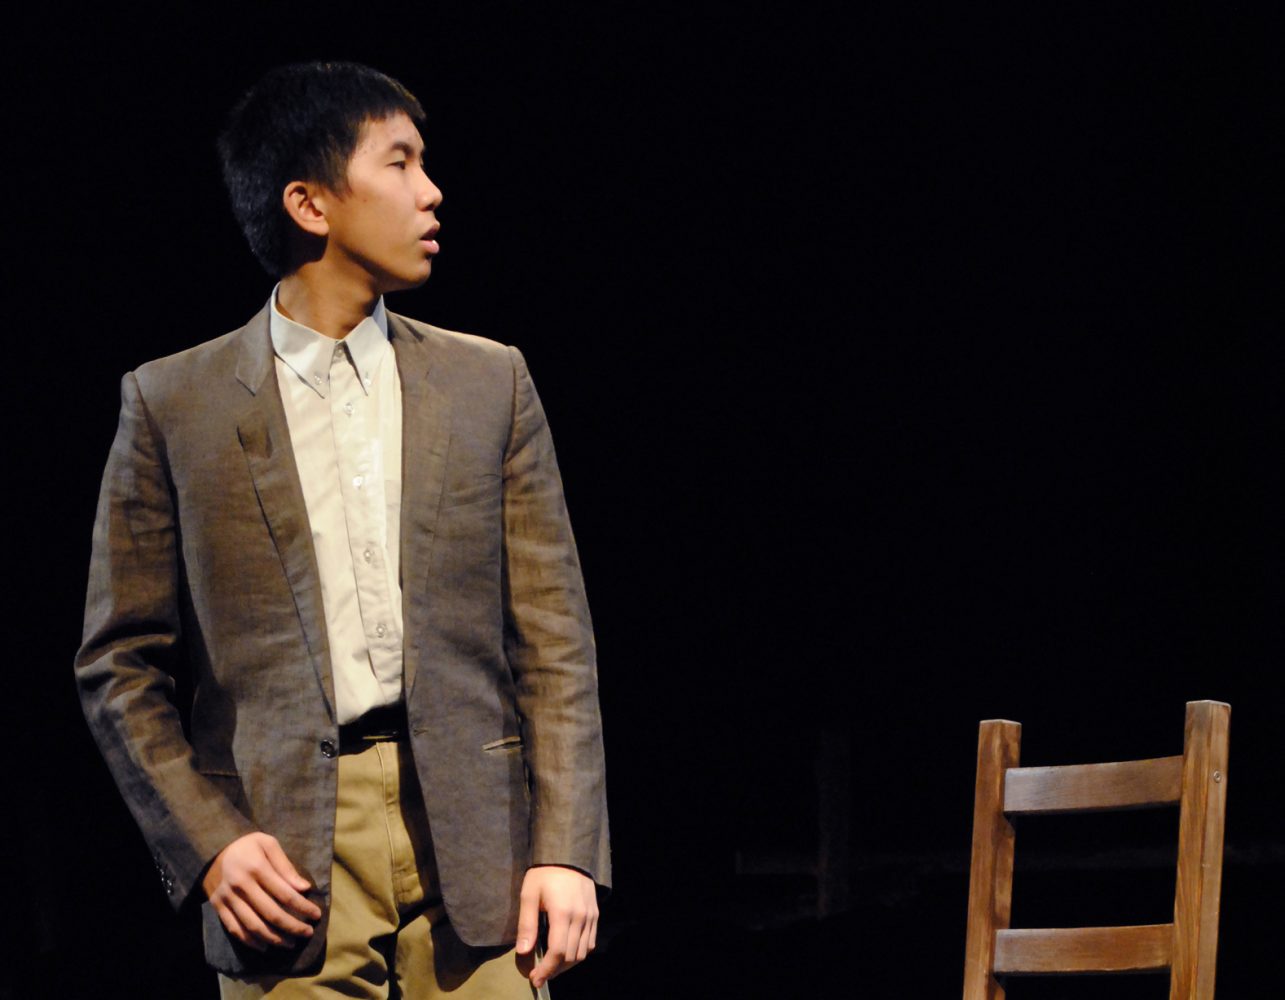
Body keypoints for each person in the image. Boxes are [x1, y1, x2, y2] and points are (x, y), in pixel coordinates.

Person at [75, 61, 609, 999]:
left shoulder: (490, 383)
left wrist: (564, 849)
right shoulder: (174, 403)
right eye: (399, 163)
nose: (430, 191)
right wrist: (207, 842)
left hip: (476, 835)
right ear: (310, 204)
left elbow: (554, 638)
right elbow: (118, 664)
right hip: (281, 850)